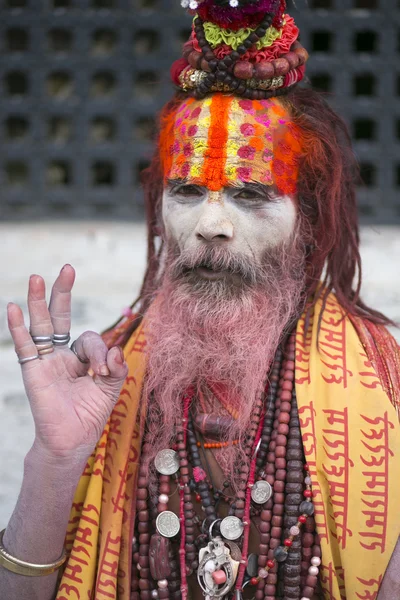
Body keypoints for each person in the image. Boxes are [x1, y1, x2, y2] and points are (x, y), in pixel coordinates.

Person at [1, 1, 399, 599]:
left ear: (308, 221)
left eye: (252, 193)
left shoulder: (383, 386)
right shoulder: (104, 373)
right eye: (187, 190)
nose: (210, 224)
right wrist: (55, 462)